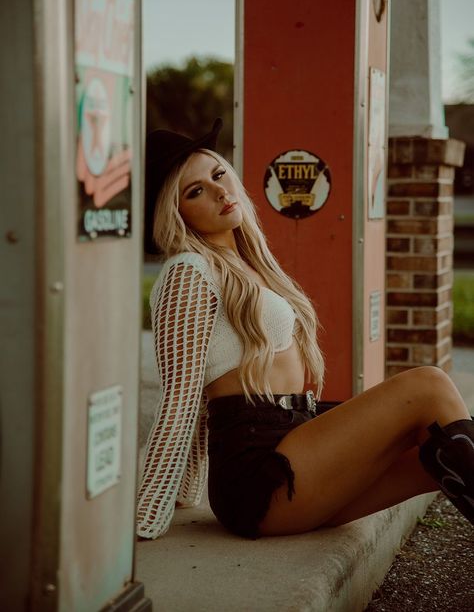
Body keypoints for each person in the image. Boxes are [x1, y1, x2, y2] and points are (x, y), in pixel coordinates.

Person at [137, 118, 474, 540]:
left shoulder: (249, 265)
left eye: (218, 174)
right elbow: (182, 397)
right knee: (428, 386)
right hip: (261, 476)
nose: (220, 191)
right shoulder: (188, 271)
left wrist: (187, 485)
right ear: (177, 213)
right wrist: (150, 508)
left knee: (439, 444)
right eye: (196, 191)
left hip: (297, 443)